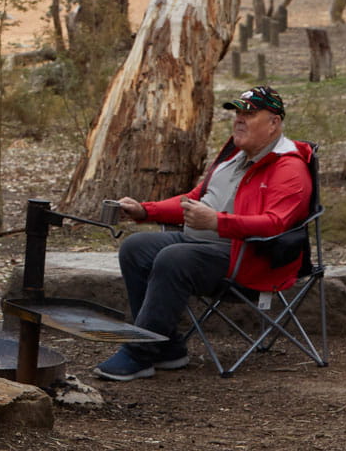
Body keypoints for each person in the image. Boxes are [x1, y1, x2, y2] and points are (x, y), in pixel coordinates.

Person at [93, 84, 314, 381]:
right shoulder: (233, 157)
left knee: (174, 258)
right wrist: (146, 211)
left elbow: (276, 225)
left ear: (274, 123)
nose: (239, 119)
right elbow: (196, 197)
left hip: (248, 257)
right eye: (237, 113)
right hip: (203, 244)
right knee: (136, 247)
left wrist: (217, 222)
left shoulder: (289, 169)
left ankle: (140, 352)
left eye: (249, 114)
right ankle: (167, 347)